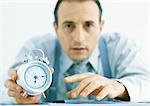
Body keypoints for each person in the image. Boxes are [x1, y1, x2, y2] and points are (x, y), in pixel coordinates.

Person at [4, 0, 150, 104]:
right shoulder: (36, 49)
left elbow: (146, 84)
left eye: (88, 25)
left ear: (101, 26)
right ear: (56, 28)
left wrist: (118, 87)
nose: (79, 38)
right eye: (68, 26)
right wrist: (17, 95)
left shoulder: (121, 46)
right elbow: (5, 87)